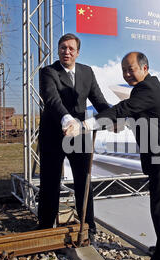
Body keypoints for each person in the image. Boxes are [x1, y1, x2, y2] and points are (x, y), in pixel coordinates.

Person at [73, 52, 160, 260]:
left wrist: (88, 125)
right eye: (123, 70)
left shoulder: (147, 89)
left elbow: (124, 109)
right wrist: (115, 124)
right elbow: (130, 115)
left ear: (144, 68)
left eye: (130, 69)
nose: (126, 74)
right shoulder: (145, 89)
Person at [37, 33, 110, 240]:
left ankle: (88, 225)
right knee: (49, 181)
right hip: (53, 135)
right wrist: (67, 119)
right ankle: (45, 227)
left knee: (83, 180)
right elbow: (52, 99)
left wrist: (113, 116)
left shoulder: (87, 72)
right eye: (62, 47)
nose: (66, 51)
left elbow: (99, 100)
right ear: (58, 50)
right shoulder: (48, 72)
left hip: (80, 136)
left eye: (70, 48)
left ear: (78, 52)